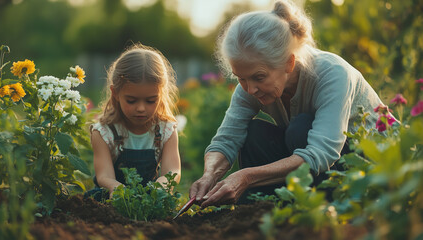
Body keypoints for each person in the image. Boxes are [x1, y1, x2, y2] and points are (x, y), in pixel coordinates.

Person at [190, 0, 386, 208]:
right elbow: (227, 139)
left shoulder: (332, 74)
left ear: (288, 63)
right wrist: (209, 175)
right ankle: (263, 212)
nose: (250, 89)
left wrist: (246, 177)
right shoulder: (251, 84)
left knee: (300, 129)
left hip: (374, 169)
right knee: (253, 133)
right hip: (323, 167)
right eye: (241, 78)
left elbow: (322, 153)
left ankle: (326, 211)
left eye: (259, 77)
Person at [85, 44, 181, 201]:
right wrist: (117, 189)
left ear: (161, 94)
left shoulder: (166, 130)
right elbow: (104, 176)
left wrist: (161, 186)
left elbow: (173, 171)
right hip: (113, 199)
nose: (141, 108)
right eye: (131, 100)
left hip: (151, 199)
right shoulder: (104, 132)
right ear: (115, 93)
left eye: (151, 101)